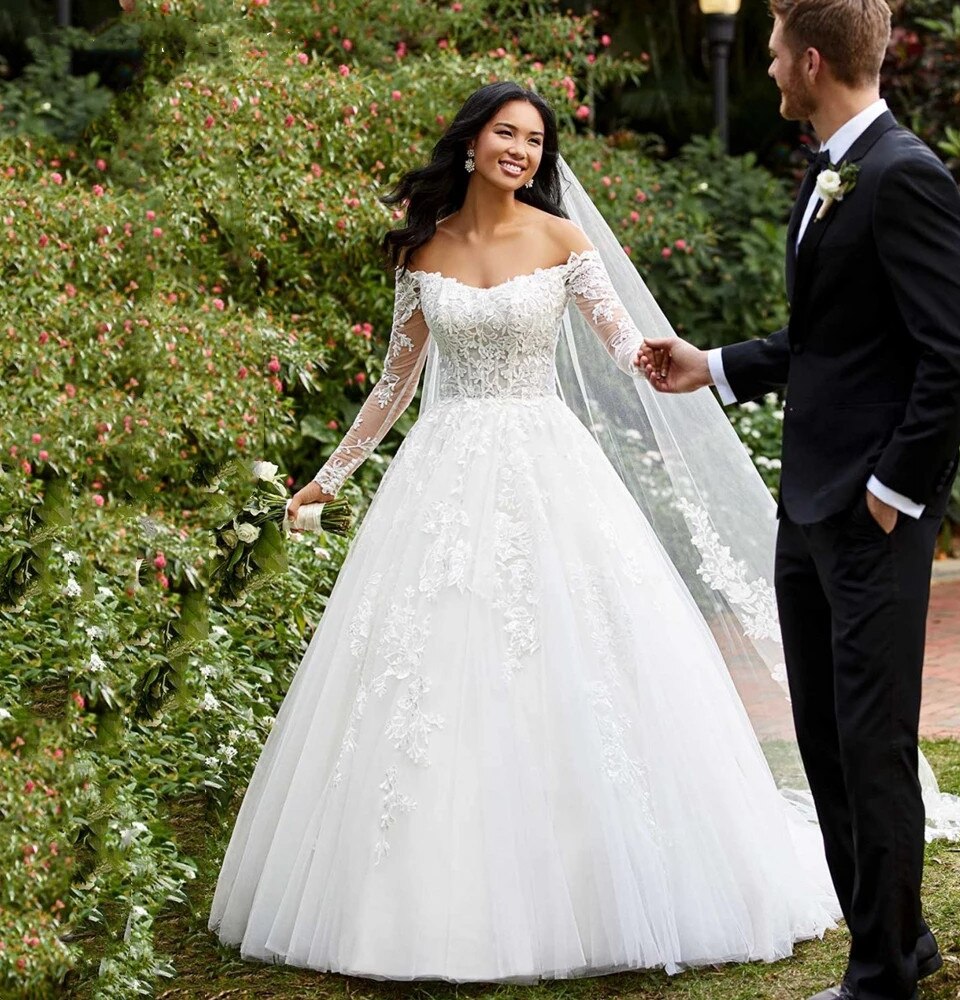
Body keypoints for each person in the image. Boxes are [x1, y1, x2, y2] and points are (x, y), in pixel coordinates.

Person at [207, 80, 844, 982]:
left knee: (570, 652)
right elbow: (395, 383)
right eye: (507, 134)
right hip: (443, 470)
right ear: (471, 143)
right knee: (431, 662)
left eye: (537, 141)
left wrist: (691, 369)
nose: (523, 151)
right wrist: (328, 476)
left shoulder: (564, 241)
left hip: (547, 465)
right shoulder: (423, 253)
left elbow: (629, 348)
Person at [639, 2, 960, 999]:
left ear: (809, 60)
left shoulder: (903, 174)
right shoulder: (836, 169)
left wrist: (890, 492)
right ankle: (900, 934)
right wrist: (710, 365)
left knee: (870, 741)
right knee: (826, 735)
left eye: (770, 55)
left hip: (866, 516)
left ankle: (880, 974)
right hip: (809, 509)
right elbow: (833, 343)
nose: (764, 72)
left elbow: (958, 356)